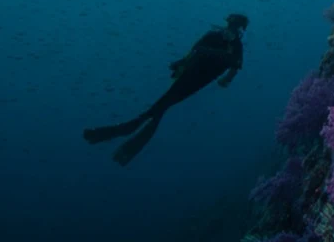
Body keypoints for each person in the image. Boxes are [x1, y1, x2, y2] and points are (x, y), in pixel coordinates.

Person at [83, 13, 248, 166]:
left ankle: (128, 130)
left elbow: (233, 64)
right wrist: (182, 65)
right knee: (162, 105)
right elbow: (195, 52)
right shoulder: (215, 37)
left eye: (236, 27)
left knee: (162, 105)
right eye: (232, 25)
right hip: (192, 75)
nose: (232, 29)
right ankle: (129, 132)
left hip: (199, 78)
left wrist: (224, 77)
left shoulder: (234, 46)